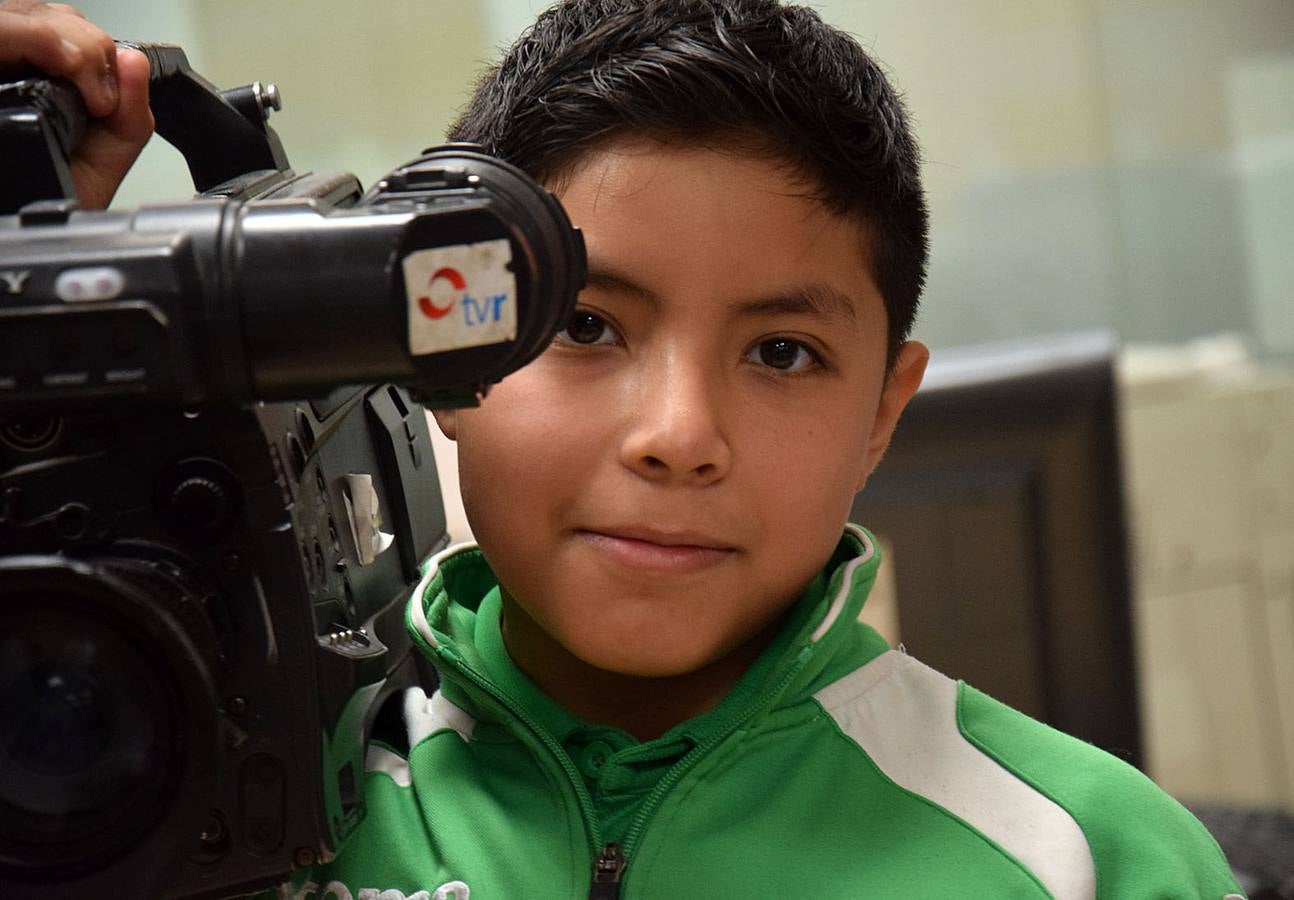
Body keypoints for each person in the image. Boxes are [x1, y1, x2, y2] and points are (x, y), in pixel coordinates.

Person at [2, 1, 1246, 897]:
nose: (679, 438)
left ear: (881, 411)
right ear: (446, 347)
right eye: (584, 324)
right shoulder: (167, 798)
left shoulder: (1086, 857)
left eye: (782, 354)